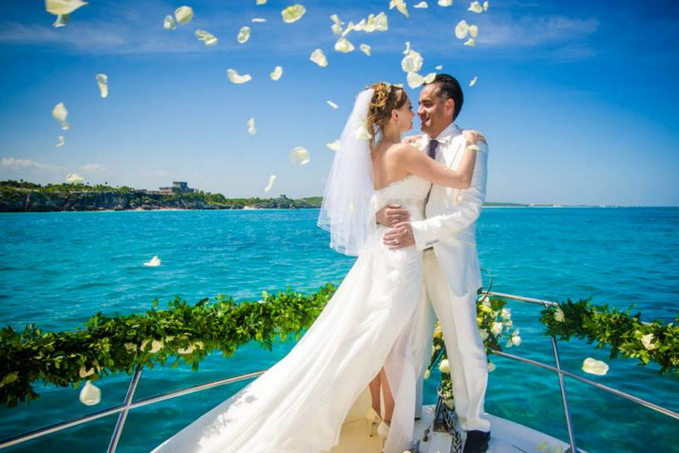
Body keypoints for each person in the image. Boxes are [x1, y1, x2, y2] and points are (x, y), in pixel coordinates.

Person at [152, 82, 481, 453]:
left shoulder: (373, 152)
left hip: (379, 253)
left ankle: (381, 419)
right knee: (395, 348)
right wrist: (473, 144)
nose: (414, 114)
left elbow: (358, 202)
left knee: (379, 340)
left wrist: (376, 213)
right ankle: (396, 434)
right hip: (399, 257)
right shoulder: (404, 153)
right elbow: (461, 180)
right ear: (393, 115)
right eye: (409, 107)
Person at [377, 74, 491, 453]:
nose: (420, 110)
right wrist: (381, 217)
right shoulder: (412, 144)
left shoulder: (472, 144)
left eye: (426, 103)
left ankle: (475, 425)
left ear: (449, 106)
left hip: (448, 259)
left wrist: (418, 231)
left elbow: (470, 209)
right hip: (405, 261)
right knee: (409, 341)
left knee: (464, 345)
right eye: (418, 104)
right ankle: (405, 414)